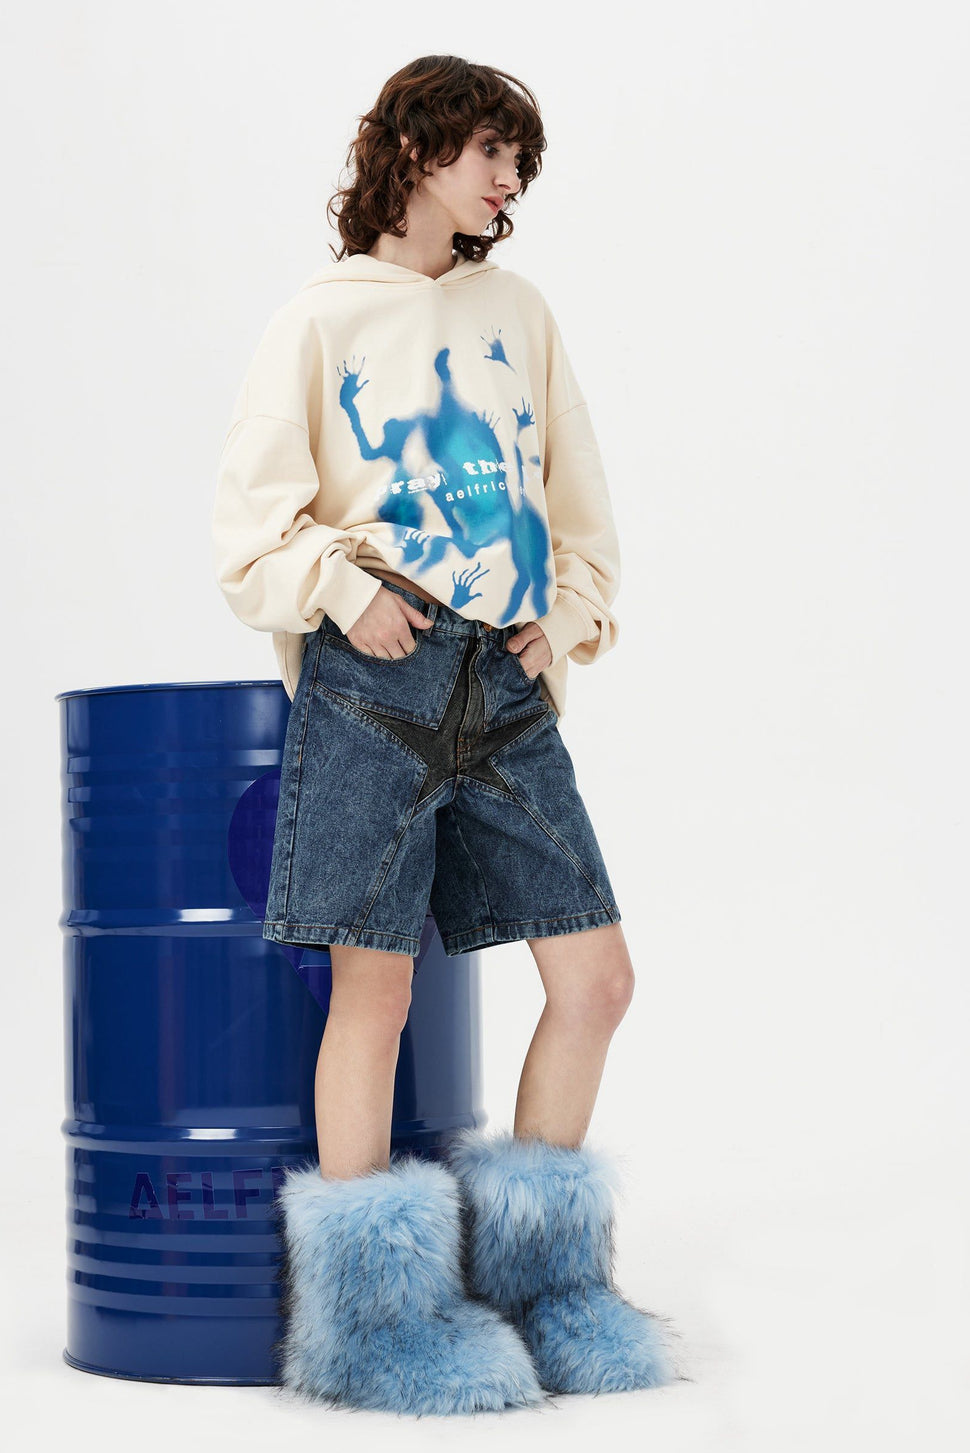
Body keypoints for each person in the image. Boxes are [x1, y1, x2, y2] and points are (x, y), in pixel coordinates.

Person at [211, 54, 677, 1415]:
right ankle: (369, 1326)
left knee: (594, 978)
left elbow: (578, 505)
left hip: (506, 683)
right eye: (488, 152)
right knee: (378, 992)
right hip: (379, 678)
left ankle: (546, 1290)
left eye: (518, 162)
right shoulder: (317, 321)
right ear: (414, 150)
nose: (507, 181)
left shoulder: (516, 311)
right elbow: (249, 532)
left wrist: (567, 617)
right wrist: (341, 589)